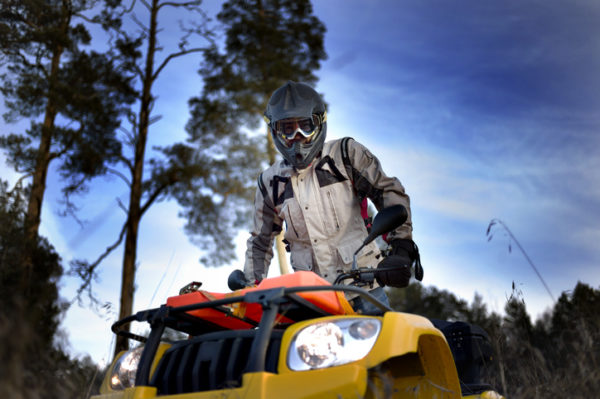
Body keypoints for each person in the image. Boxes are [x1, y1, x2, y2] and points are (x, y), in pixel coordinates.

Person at [243, 81, 422, 314]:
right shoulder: (270, 182)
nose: (297, 137)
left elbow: (387, 191)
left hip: (364, 290)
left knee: (389, 348)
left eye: (305, 126)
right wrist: (249, 286)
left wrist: (401, 246)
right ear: (275, 131)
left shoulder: (345, 155)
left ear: (319, 122)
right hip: (312, 302)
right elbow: (260, 242)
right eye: (288, 129)